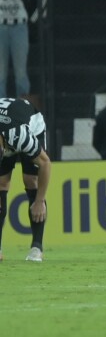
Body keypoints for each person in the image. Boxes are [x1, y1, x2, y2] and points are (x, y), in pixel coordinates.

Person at [0, 96, 52, 262]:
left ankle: (37, 247)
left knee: (31, 180)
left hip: (30, 126)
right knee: (2, 183)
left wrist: (39, 201)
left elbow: (45, 163)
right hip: (6, 131)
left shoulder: (19, 135)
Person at [0, 0, 38, 99]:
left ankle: (21, 102)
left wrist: (32, 18)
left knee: (20, 69)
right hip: (2, 28)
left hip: (19, 28)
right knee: (1, 70)